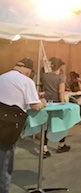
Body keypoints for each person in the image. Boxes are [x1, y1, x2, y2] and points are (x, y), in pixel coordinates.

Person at [0, 58, 45, 193]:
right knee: (4, 164)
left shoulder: (2, 77)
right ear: (28, 70)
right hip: (8, 128)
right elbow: (36, 106)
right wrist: (43, 102)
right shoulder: (27, 81)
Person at [42, 57, 70, 157]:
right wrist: (63, 103)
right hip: (57, 102)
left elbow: (44, 89)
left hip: (46, 102)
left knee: (45, 125)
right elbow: (61, 91)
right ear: (60, 66)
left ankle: (44, 148)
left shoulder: (45, 76)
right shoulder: (61, 77)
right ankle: (61, 145)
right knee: (61, 124)